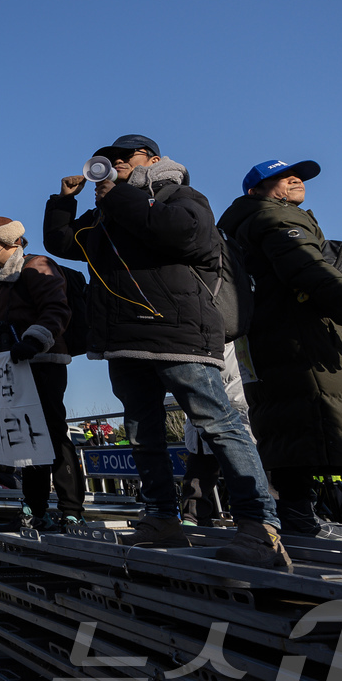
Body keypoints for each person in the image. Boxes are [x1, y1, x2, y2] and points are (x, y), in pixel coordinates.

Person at [44, 134, 289, 569]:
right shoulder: (108, 212)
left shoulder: (180, 194)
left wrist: (118, 198)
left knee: (217, 423)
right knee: (143, 432)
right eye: (108, 159)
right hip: (125, 340)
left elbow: (188, 235)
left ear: (153, 159)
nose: (114, 163)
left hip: (178, 331)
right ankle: (161, 518)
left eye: (125, 157)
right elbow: (64, 244)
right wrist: (63, 202)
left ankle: (259, 526)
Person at [218, 159, 342, 547]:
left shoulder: (238, 229)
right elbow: (304, 263)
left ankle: (298, 517)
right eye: (280, 177)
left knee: (287, 427)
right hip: (309, 338)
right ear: (255, 191)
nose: (295, 179)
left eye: (299, 175)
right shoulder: (274, 217)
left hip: (268, 342)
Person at [0, 216, 86, 531]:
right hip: (16, 364)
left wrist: (35, 339)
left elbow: (56, 308)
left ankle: (71, 509)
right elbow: (6, 323)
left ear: (10, 240)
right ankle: (34, 507)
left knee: (52, 431)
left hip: (44, 359)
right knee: (28, 437)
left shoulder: (36, 266)